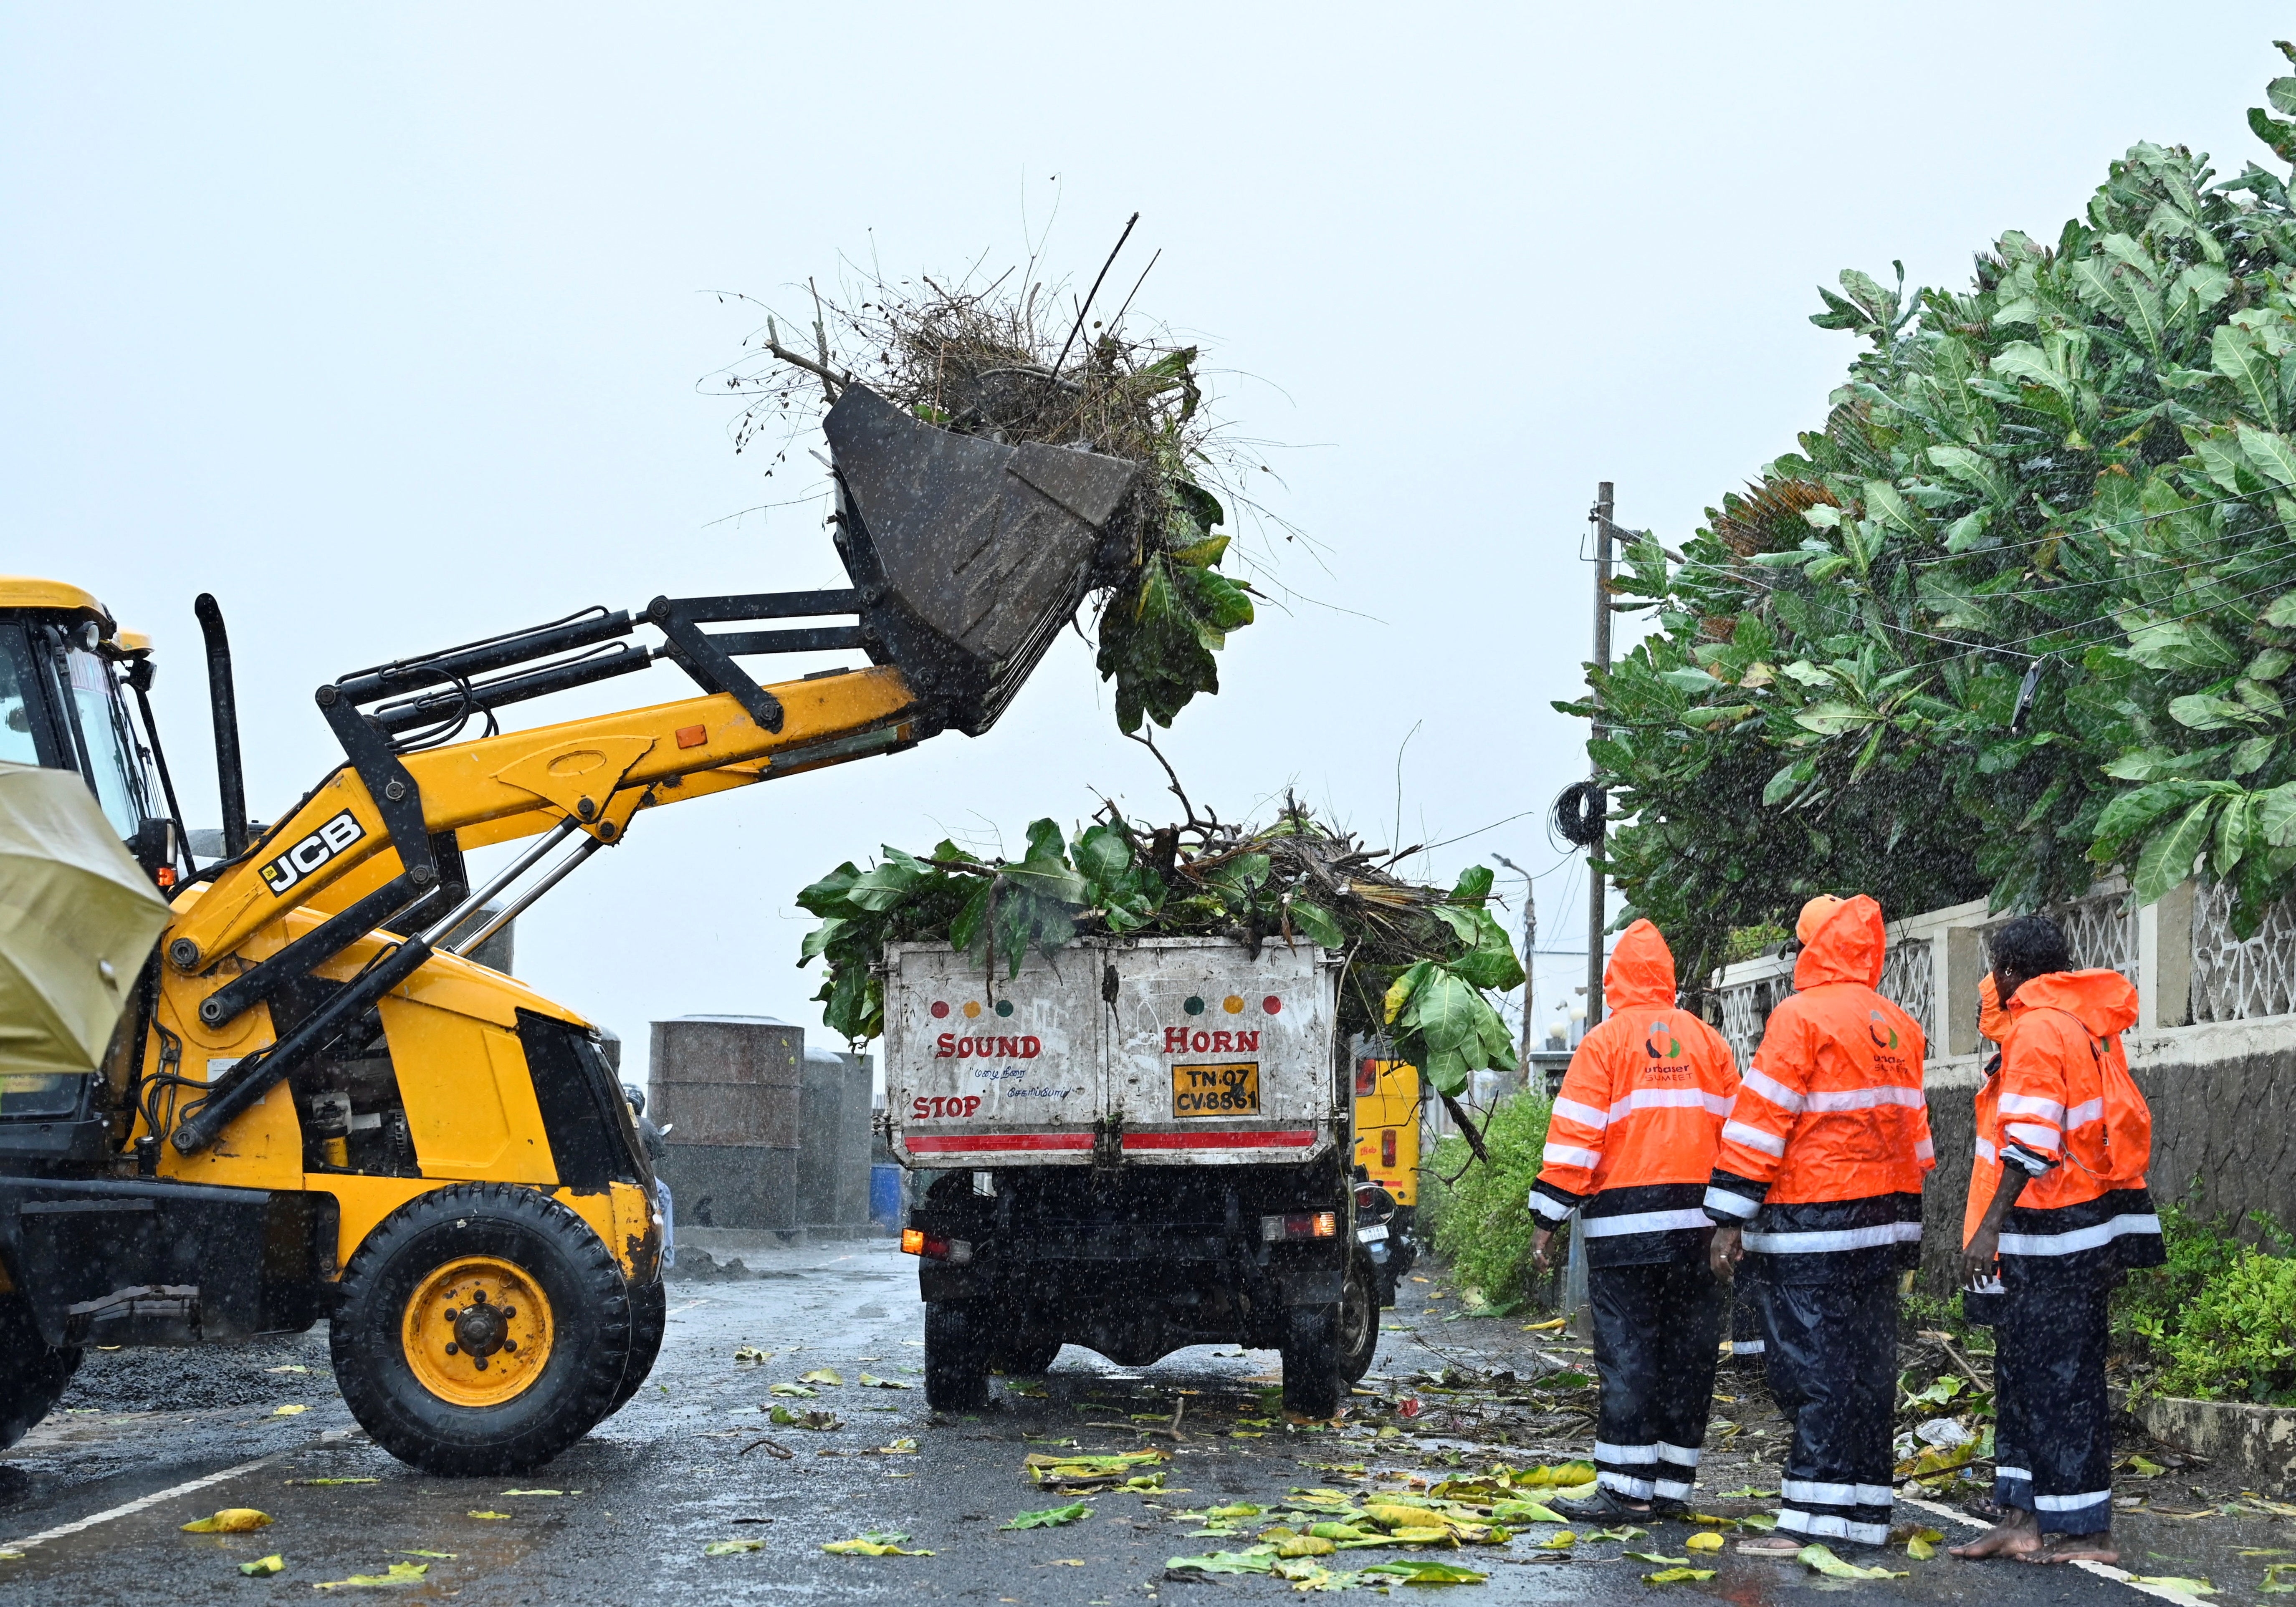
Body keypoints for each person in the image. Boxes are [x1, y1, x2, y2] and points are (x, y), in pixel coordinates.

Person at [1705, 894, 1932, 1551]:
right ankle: (1864, 1514)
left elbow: (1761, 1126)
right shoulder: (1899, 1025)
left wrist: (1729, 1218)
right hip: (1882, 1228)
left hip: (1813, 1227)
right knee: (1867, 1371)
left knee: (1812, 1371)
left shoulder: (1799, 1019)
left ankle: (1809, 1522)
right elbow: (1917, 1139)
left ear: (1812, 949)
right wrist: (1906, 1229)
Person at [1950, 915, 2162, 1566]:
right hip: (2062, 1237)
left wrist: (1988, 1228)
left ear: (2010, 971)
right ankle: (2023, 1518)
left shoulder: (2041, 1028)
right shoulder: (2068, 1022)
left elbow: (2032, 1144)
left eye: (1993, 967)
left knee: (2059, 1381)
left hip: (2050, 1239)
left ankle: (2086, 1531)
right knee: (2025, 1378)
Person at [1527, 918, 1739, 1519]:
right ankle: (1672, 1488)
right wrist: (1735, 1224)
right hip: (1698, 1233)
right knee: (1688, 1356)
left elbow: (1575, 1143)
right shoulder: (1709, 1042)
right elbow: (1739, 1140)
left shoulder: (1605, 1043)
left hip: (1624, 1234)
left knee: (1629, 1354)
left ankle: (1624, 1487)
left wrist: (1547, 1220)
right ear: (1668, 979)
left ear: (1614, 978)